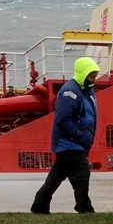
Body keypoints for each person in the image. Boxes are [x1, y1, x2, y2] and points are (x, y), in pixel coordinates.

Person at [31, 57, 101, 214]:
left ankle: (39, 205)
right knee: (81, 172)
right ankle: (84, 207)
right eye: (91, 76)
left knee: (57, 175)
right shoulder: (70, 92)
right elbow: (62, 120)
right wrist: (79, 137)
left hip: (73, 142)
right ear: (83, 74)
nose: (94, 80)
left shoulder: (86, 89)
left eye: (95, 76)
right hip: (69, 142)